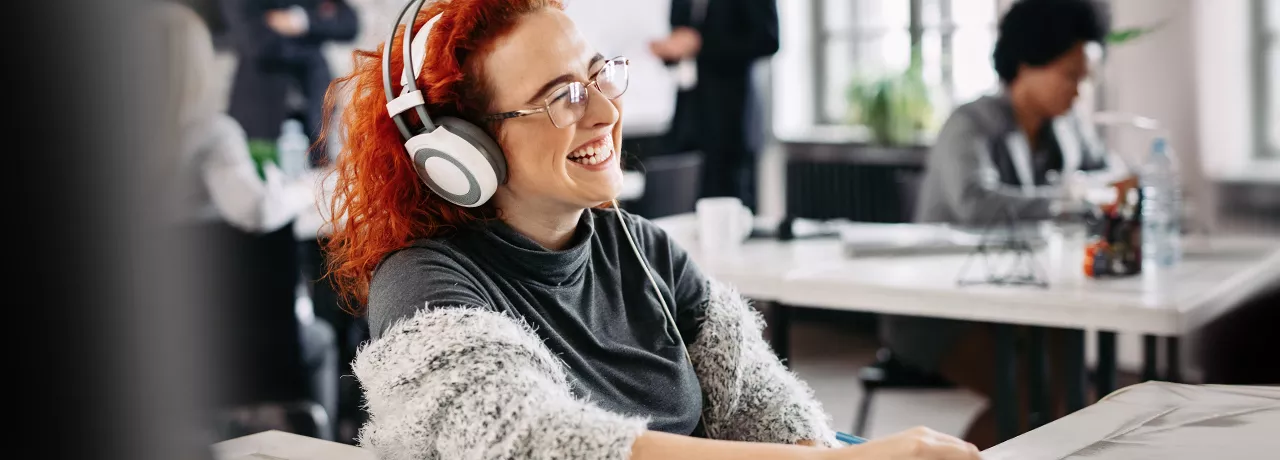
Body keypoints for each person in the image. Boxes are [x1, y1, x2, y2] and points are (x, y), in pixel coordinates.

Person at [322, 0, 980, 459]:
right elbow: (529, 444)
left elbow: (772, 415)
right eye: (563, 97)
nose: (608, 111)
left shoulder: (646, 248)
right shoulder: (422, 284)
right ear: (463, 149)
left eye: (597, 76)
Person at [885, 0, 1129, 449]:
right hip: (945, 308)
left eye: (1084, 79)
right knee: (1026, 395)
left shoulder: (1067, 127)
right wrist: (1073, 198)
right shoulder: (971, 123)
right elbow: (978, 205)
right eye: (1069, 75)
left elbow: (1111, 175)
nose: (1077, 92)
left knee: (1071, 394)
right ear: (1027, 62)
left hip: (1027, 298)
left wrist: (1094, 189)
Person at [153, 1, 338, 438]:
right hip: (236, 347)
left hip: (162, 343)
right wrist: (301, 189)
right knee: (323, 340)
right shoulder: (211, 136)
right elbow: (256, 212)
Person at [655, 0, 779, 210]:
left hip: (732, 116)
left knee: (730, 200)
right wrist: (671, 50)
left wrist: (701, 44)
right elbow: (681, 38)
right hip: (688, 115)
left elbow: (768, 39)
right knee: (684, 200)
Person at [218, 0, 359, 167]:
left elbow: (349, 24)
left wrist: (300, 21)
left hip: (314, 116)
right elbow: (255, 42)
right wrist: (313, 40)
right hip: (261, 116)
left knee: (317, 183)